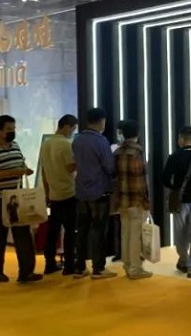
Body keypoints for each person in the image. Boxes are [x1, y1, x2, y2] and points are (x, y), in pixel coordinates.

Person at [0, 115, 42, 284]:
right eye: (8, 129)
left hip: (17, 197)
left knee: (23, 234)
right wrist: (16, 172)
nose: (12, 132)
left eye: (13, 129)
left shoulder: (16, 146)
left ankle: (26, 271)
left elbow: (21, 165)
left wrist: (24, 170)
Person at [73, 107, 116, 279]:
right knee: (98, 229)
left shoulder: (77, 140)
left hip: (81, 190)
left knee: (81, 229)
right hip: (99, 191)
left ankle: (79, 267)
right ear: (102, 121)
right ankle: (98, 268)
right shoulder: (101, 141)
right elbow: (109, 167)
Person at [163, 126, 191, 278]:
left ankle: (183, 261)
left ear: (181, 139)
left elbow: (165, 178)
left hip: (180, 201)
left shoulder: (174, 156)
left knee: (180, 234)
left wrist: (175, 188)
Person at [40, 114, 78, 275]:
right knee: (70, 231)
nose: (72, 133)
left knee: (52, 231)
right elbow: (70, 167)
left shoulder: (46, 144)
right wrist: (81, 161)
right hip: (68, 192)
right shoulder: (65, 144)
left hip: (54, 193)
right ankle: (69, 265)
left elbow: (43, 171)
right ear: (66, 127)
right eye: (73, 129)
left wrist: (47, 192)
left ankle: (49, 263)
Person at [113, 120, 152, 279]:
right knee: (136, 234)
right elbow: (141, 178)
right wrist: (146, 199)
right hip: (136, 198)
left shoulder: (117, 152)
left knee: (125, 232)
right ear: (137, 133)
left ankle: (128, 264)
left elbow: (115, 177)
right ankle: (136, 268)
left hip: (122, 198)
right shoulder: (137, 151)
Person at [109, 121, 127, 263]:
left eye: (121, 132)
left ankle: (132, 251)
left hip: (129, 191)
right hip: (116, 191)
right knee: (117, 223)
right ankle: (119, 251)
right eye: (118, 132)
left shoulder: (135, 149)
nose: (119, 134)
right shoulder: (112, 148)